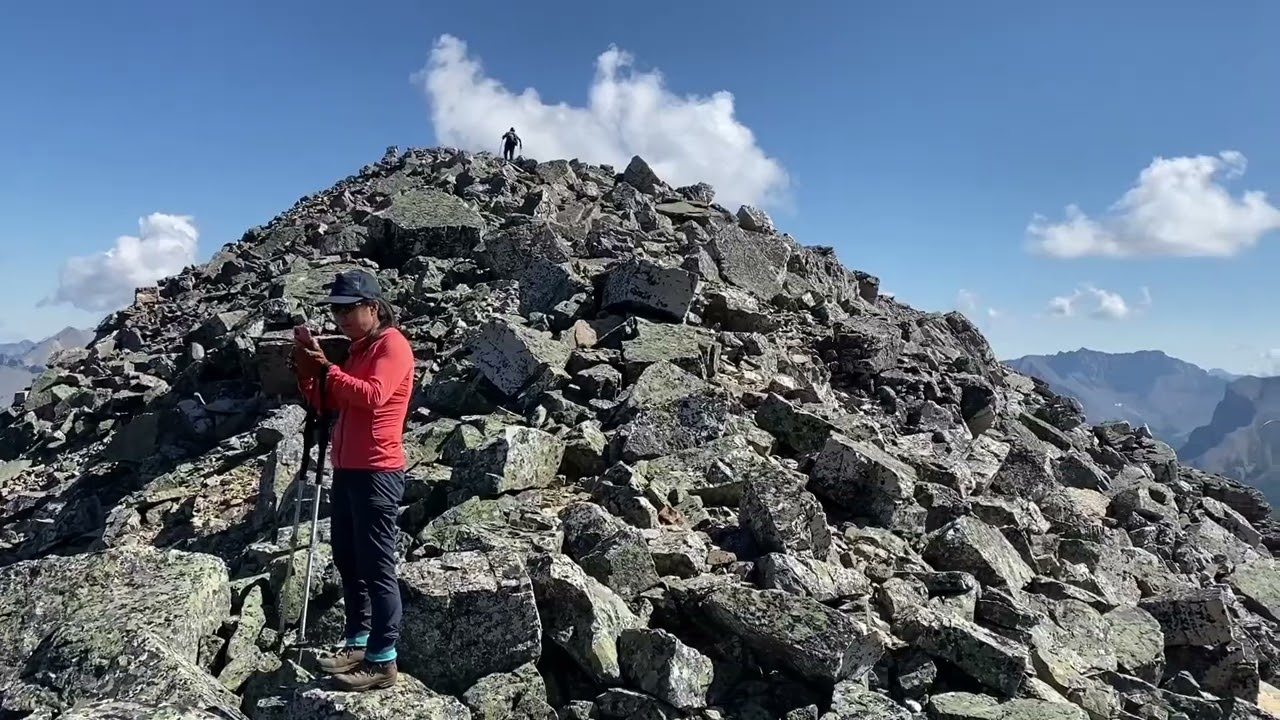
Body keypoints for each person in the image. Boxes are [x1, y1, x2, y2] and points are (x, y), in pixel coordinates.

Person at [291, 269, 415, 693]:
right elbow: (332, 401)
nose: (341, 317)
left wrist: (327, 368)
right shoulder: (360, 349)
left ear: (373, 308)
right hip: (348, 470)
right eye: (336, 310)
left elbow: (373, 396)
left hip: (377, 471)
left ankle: (382, 660)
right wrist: (308, 373)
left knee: (377, 566)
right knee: (348, 558)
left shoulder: (392, 345)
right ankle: (359, 642)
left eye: (349, 309)